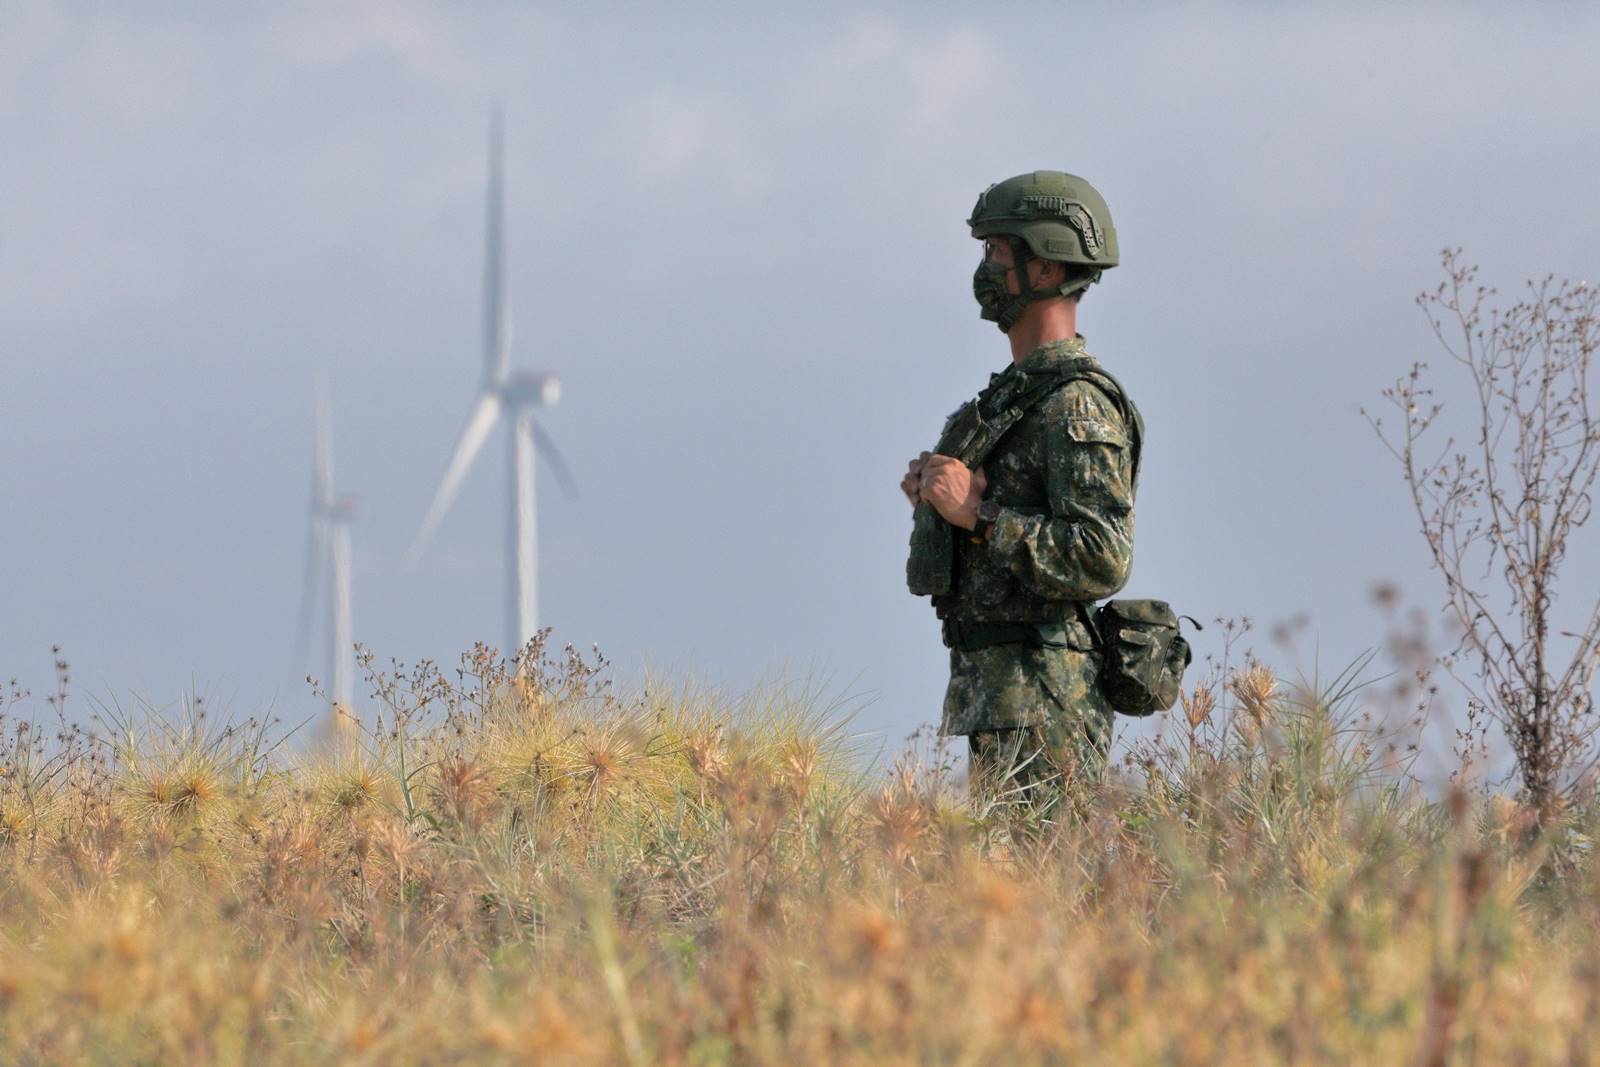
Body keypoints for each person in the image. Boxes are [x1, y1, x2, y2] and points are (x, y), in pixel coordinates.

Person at [902, 171, 1140, 805]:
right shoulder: (1012, 398)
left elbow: (1101, 555)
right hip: (999, 693)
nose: (985, 269)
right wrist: (937, 503)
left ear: (1044, 268)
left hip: (1045, 702)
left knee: (1042, 889)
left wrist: (978, 513)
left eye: (998, 252)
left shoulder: (1075, 406)